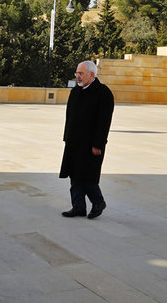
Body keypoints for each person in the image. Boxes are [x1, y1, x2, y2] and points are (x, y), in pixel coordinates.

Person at [60, 60, 114, 220]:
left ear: (92, 74)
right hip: (74, 142)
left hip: (91, 144)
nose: (77, 76)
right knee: (74, 175)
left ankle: (98, 202)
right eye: (77, 73)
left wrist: (98, 144)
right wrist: (66, 137)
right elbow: (69, 116)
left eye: (81, 73)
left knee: (88, 176)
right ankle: (78, 207)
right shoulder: (75, 91)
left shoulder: (103, 93)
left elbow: (104, 121)